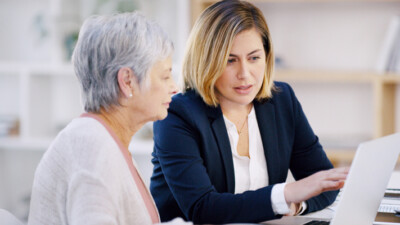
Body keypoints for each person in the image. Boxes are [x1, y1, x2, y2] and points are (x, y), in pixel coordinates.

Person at [150, 0, 349, 224]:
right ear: (206, 61)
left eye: (254, 58)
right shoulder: (177, 115)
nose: (245, 74)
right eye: (230, 60)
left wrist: (297, 205)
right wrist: (285, 194)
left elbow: (324, 183)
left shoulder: (282, 100)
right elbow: (203, 208)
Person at [28, 12, 180, 225]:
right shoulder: (91, 146)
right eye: (165, 76)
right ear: (127, 81)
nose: (175, 87)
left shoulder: (103, 139)